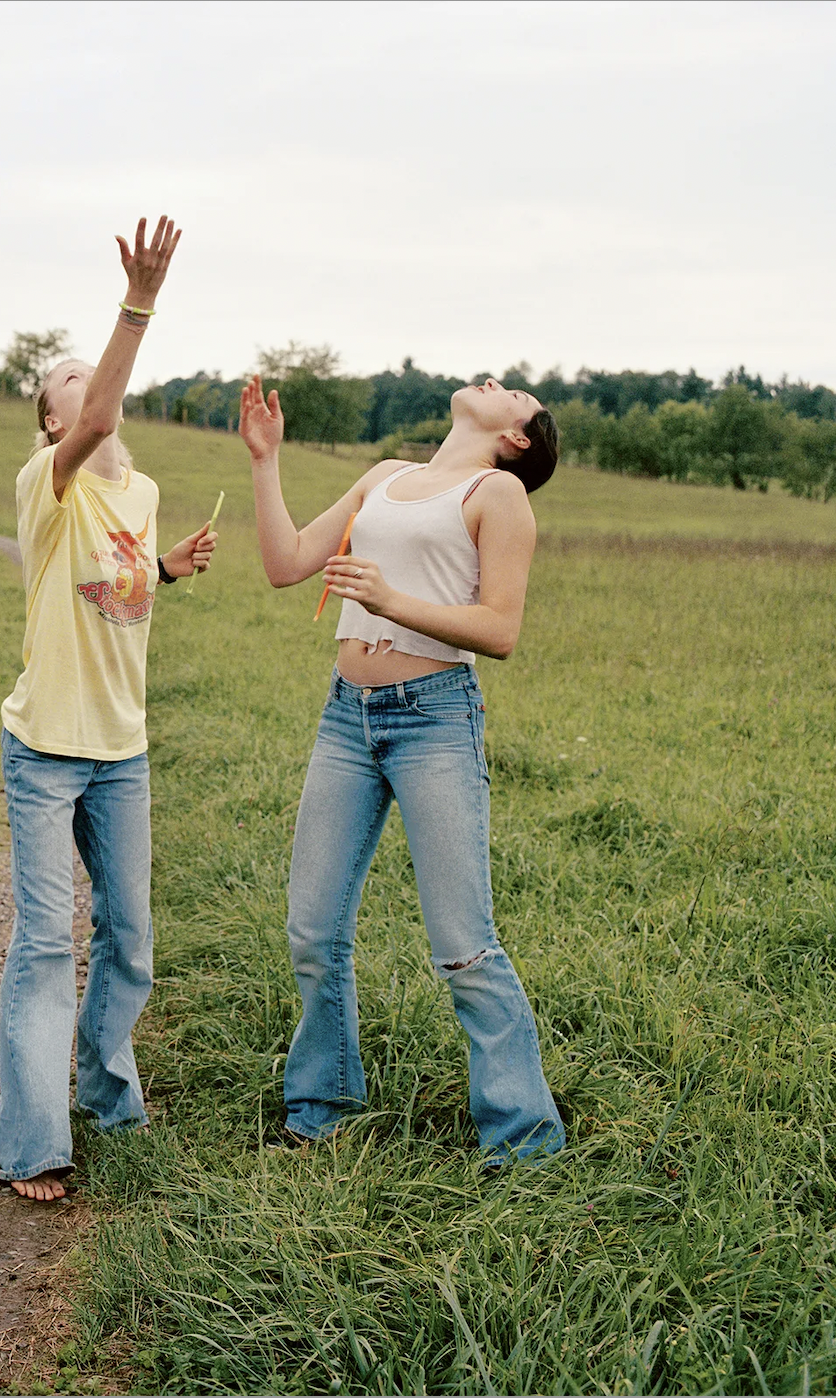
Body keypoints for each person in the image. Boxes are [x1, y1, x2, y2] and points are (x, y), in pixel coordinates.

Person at [236, 373, 565, 1166]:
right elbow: (286, 565)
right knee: (313, 931)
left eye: (516, 392)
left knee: (463, 945)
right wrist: (264, 460)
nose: (499, 381)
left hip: (435, 721)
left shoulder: (497, 494)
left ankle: (523, 1141)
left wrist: (388, 600)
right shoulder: (385, 477)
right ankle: (321, 1108)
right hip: (346, 716)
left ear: (518, 436)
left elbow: (500, 628)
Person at [0, 216, 218, 1201]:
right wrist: (138, 305)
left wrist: (164, 569)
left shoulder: (147, 491)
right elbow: (96, 430)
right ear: (54, 424)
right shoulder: (49, 481)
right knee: (48, 945)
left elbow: (118, 593)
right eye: (72, 388)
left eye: (98, 377)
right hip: (44, 748)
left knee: (130, 939)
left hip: (121, 750)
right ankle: (34, 1144)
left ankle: (104, 1085)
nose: (92, 393)